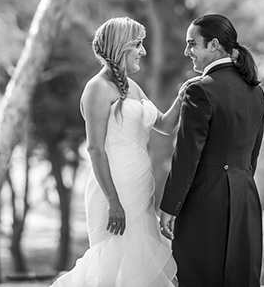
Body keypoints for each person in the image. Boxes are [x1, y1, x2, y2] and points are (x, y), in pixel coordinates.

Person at [51, 17, 192, 287]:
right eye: (137, 44)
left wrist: (182, 95)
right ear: (121, 46)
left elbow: (165, 125)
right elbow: (95, 148)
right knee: (113, 266)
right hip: (113, 191)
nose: (143, 51)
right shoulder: (97, 88)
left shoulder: (132, 86)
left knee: (139, 267)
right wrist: (113, 202)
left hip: (140, 190)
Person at [159, 13, 264, 287]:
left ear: (214, 45)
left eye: (192, 44)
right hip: (246, 200)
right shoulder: (256, 92)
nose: (187, 52)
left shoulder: (199, 90)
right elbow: (252, 156)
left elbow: (186, 158)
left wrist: (170, 206)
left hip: (206, 202)